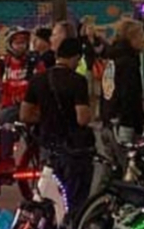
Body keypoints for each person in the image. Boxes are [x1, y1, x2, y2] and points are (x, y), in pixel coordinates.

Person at [20, 35, 95, 211]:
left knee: (49, 191)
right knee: (74, 197)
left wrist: (46, 117)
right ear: (76, 57)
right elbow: (82, 118)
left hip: (47, 143)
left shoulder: (38, 79)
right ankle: (70, 223)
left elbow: (25, 115)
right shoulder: (78, 81)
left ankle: (49, 220)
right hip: (73, 148)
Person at [101, 18, 144, 142]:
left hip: (110, 119)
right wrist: (137, 124)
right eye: (141, 35)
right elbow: (130, 95)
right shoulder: (128, 63)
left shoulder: (112, 60)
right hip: (126, 123)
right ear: (132, 38)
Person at [0, 28, 36, 153]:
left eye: (23, 42)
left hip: (29, 107)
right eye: (17, 43)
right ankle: (6, 157)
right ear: (10, 44)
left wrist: (25, 97)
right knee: (4, 125)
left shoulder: (33, 63)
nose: (20, 46)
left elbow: (41, 82)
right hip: (8, 107)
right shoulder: (3, 64)